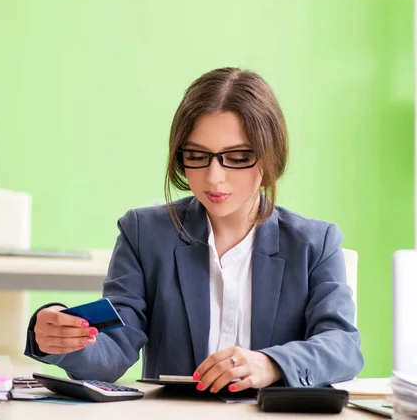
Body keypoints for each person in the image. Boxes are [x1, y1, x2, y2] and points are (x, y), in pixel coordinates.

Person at [24, 67, 364, 393]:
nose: (214, 177)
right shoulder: (144, 233)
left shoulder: (315, 243)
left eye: (237, 156)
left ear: (268, 155)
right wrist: (59, 339)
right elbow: (114, 349)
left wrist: (270, 364)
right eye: (198, 155)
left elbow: (343, 346)